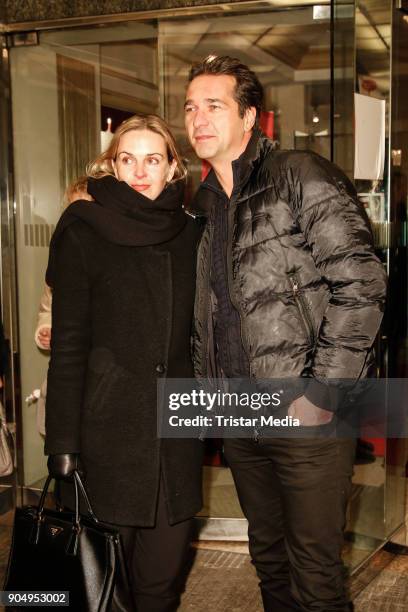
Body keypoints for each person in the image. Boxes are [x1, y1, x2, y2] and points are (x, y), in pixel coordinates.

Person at [184, 55, 387, 612]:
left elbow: (363, 284)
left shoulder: (298, 174)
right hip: (240, 413)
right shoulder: (201, 206)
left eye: (214, 106)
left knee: (315, 575)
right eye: (190, 107)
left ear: (249, 117)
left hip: (306, 414)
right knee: (269, 560)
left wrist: (323, 392)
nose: (198, 119)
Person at [45, 114, 203, 612]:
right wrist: (62, 442)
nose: (140, 171)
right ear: (111, 164)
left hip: (176, 434)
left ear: (173, 168)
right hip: (107, 436)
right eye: (127, 159)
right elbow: (69, 346)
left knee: (162, 582)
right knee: (104, 587)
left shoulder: (192, 232)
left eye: (152, 159)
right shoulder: (82, 230)